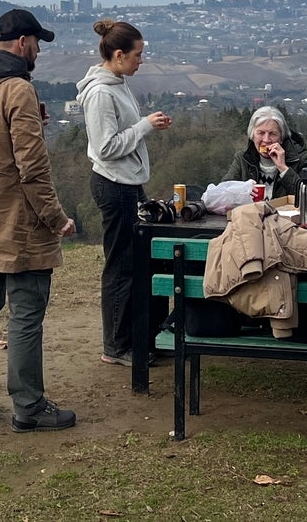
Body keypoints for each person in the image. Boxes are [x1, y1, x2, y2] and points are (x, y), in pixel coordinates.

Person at [0, 7, 77, 433]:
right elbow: (32, 169)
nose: (38, 50)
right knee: (26, 311)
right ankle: (28, 405)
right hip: (17, 222)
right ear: (22, 43)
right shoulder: (16, 90)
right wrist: (56, 218)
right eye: (37, 43)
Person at [78, 18, 170, 366]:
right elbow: (105, 147)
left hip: (128, 183)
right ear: (119, 55)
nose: (141, 60)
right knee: (121, 267)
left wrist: (145, 124)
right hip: (114, 186)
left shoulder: (116, 82)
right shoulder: (101, 92)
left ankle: (141, 336)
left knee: (139, 261)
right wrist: (144, 127)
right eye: (138, 54)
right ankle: (116, 346)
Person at [231, 105, 307, 202]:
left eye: (273, 134)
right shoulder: (242, 159)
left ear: (281, 138)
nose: (266, 140)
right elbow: (223, 192)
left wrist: (283, 169)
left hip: (288, 216)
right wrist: (241, 190)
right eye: (261, 133)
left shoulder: (301, 159)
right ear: (252, 135)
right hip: (251, 216)